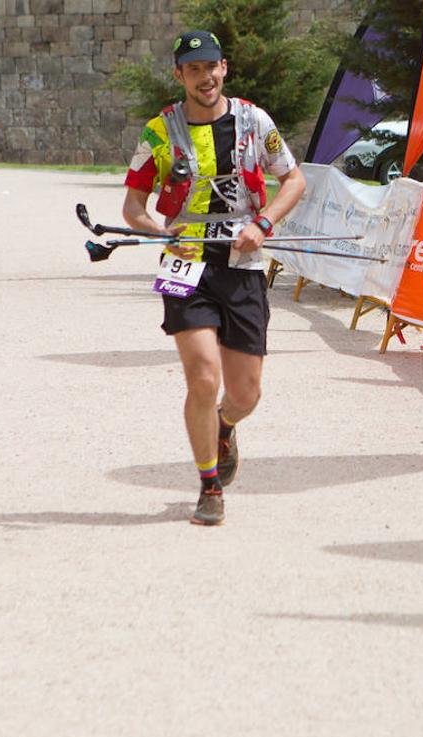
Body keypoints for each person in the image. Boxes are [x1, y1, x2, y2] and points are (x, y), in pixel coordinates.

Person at [122, 30, 306, 526]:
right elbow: (132, 209)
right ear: (180, 76)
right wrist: (163, 233)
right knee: (203, 377)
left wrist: (263, 225)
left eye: (212, 67)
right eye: (194, 70)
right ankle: (208, 487)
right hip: (186, 267)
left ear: (224, 68)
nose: (205, 78)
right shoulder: (159, 133)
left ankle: (225, 428)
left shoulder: (254, 121)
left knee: (245, 394)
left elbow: (294, 179)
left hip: (243, 267)